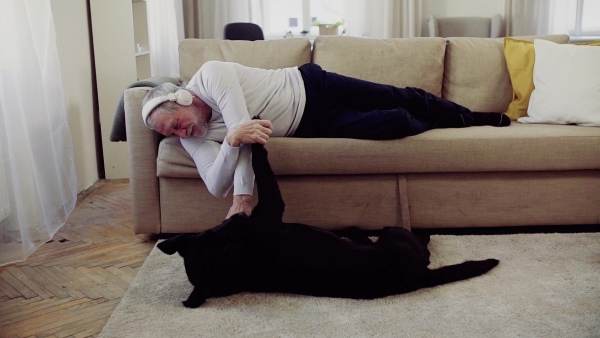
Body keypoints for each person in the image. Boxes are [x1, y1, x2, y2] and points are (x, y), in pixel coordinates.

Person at [142, 61, 510, 219]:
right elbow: (214, 184)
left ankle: (470, 116)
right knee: (395, 122)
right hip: (310, 123)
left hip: (311, 84)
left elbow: (244, 128)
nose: (179, 135)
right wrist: (231, 142)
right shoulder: (191, 137)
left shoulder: (211, 74)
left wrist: (243, 197)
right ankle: (437, 122)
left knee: (401, 97)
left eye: (174, 124)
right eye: (168, 135)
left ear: (185, 99)